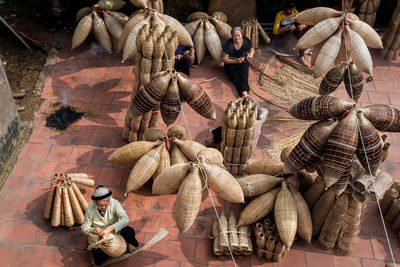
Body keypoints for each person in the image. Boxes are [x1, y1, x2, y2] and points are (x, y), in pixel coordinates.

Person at [82, 186, 139, 265]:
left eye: (105, 205)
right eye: (100, 205)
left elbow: (125, 219)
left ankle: (128, 243)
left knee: (129, 231)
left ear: (109, 200)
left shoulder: (114, 203)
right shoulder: (90, 209)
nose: (103, 208)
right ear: (95, 202)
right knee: (99, 261)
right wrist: (93, 230)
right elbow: (84, 228)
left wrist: (112, 227)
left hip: (115, 231)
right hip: (99, 237)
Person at [272, 2, 309, 66]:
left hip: (292, 32)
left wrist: (302, 26)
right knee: (283, 39)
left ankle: (301, 57)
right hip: (282, 33)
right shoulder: (280, 15)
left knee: (301, 34)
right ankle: (282, 51)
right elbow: (275, 31)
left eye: (294, 10)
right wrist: (287, 26)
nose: (292, 12)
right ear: (286, 8)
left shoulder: (296, 13)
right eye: (290, 10)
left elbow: (303, 23)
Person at [222, 26, 255, 98]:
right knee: (236, 78)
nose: (237, 38)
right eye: (234, 36)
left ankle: (244, 94)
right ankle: (245, 93)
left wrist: (251, 54)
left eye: (238, 35)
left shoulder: (246, 41)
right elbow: (224, 59)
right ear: (232, 36)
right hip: (230, 64)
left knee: (244, 72)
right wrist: (236, 61)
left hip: (242, 61)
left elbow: (252, 50)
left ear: (242, 35)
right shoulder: (229, 44)